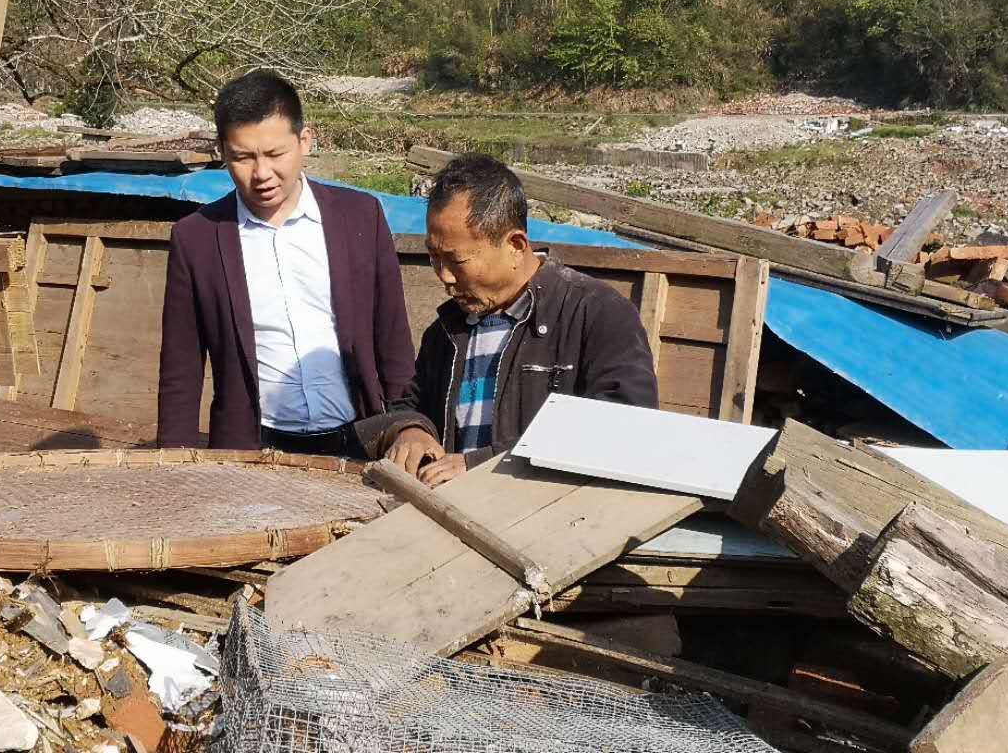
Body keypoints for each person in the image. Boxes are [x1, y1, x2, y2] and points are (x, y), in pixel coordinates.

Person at [156, 70, 430, 456]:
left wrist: (406, 427)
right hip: (251, 447)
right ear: (223, 152)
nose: (261, 174)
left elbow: (393, 344)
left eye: (275, 154)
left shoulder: (360, 218)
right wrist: (174, 464)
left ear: (304, 141)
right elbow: (181, 371)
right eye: (243, 158)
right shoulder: (198, 238)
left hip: (358, 438)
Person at [380, 153, 658, 485]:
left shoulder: (598, 314)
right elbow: (408, 403)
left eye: (456, 260)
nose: (445, 276)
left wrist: (482, 464)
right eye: (434, 256)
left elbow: (623, 428)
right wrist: (410, 430)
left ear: (515, 245)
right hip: (447, 509)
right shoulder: (446, 331)